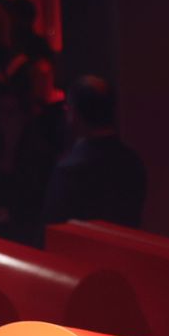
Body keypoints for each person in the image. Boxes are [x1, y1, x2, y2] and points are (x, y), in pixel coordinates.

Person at [42, 75, 147, 228]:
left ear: (74, 115)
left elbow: (51, 231)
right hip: (123, 250)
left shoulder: (71, 170)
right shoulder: (133, 162)